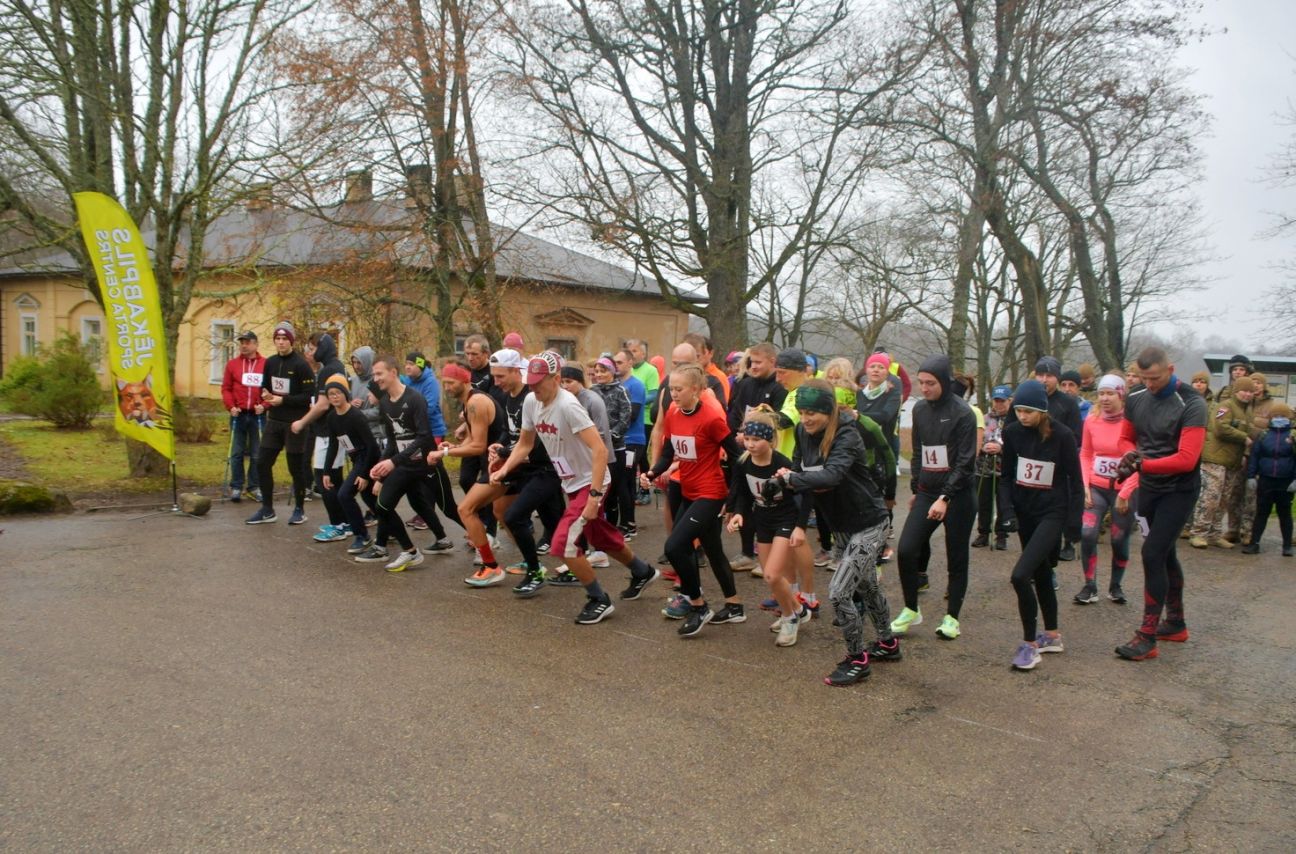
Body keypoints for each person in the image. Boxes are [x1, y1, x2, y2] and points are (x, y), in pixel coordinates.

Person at [491, 352, 659, 624]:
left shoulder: (568, 406)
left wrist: (593, 496)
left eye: (538, 382)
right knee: (600, 536)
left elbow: (600, 449)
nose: (532, 387)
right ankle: (642, 571)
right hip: (571, 481)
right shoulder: (532, 402)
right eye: (529, 382)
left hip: (592, 481)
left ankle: (598, 599)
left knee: (565, 544)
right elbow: (524, 443)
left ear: (556, 379)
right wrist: (505, 468)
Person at [775, 380, 898, 687]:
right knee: (868, 586)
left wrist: (793, 478)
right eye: (802, 412)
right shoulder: (804, 433)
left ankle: (858, 660)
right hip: (841, 525)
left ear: (829, 411)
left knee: (839, 591)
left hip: (869, 523)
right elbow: (798, 468)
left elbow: (831, 474)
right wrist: (784, 484)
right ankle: (888, 644)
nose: (805, 419)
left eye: (812, 412)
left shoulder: (847, 435)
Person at [1112, 346, 1207, 661]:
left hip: (1179, 489)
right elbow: (1126, 438)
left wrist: (1142, 465)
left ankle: (1147, 636)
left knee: (1152, 552)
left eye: (1154, 378)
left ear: (1170, 369)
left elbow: (1187, 459)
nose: (1149, 384)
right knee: (1165, 552)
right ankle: (1176, 623)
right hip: (1149, 489)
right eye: (1143, 378)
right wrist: (1129, 456)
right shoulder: (1137, 397)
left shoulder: (1191, 403)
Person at [642, 364, 744, 637]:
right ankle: (734, 606)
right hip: (688, 490)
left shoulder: (711, 418)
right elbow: (667, 453)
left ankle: (697, 604)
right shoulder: (674, 413)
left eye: (679, 389)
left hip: (710, 493)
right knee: (712, 549)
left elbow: (736, 457)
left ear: (696, 390)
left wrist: (733, 501)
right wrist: (652, 472)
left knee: (675, 546)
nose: (673, 394)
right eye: (670, 389)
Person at [892, 354, 977, 641]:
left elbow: (966, 462)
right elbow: (918, 452)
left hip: (959, 495)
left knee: (957, 556)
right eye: (921, 383)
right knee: (906, 549)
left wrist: (947, 497)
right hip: (928, 492)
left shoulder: (963, 413)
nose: (924, 389)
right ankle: (911, 608)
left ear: (944, 381)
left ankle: (952, 616)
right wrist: (917, 489)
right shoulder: (919, 411)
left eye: (930, 383)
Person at [999, 380, 1083, 671]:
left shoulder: (1062, 436)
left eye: (1030, 411)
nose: (1023, 416)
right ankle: (1052, 635)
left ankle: (1029, 645)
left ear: (1043, 411)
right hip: (1026, 513)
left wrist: (1074, 526)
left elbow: (1075, 479)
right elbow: (1006, 476)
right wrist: (1006, 511)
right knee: (1041, 572)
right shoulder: (1011, 433)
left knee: (1021, 576)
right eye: (1019, 410)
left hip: (1052, 512)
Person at [353, 356, 446, 571]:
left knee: (448, 507)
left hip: (424, 461)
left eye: (379, 374)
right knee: (386, 505)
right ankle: (409, 551)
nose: (375, 379)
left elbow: (424, 437)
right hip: (403, 464)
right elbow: (393, 440)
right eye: (374, 375)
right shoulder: (385, 403)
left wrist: (392, 463)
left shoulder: (415, 399)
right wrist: (382, 467)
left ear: (393, 372)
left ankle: (480, 541)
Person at [485, 348, 566, 595]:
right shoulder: (513, 397)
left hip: (548, 468)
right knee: (558, 524)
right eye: (494, 377)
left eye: (500, 377)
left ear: (516, 371)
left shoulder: (538, 399)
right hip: (528, 467)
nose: (496, 383)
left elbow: (535, 441)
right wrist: (500, 447)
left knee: (513, 516)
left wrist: (504, 456)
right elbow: (515, 435)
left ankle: (535, 570)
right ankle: (574, 566)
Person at [725, 409, 804, 646]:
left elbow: (800, 494)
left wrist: (799, 525)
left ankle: (790, 618)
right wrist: (738, 513)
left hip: (786, 520)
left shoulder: (782, 463)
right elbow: (741, 494)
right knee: (771, 578)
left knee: (771, 574)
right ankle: (798, 608)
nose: (750, 445)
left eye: (756, 440)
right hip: (763, 521)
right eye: (747, 439)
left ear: (769, 439)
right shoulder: (743, 463)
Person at [430, 362, 512, 587]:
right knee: (508, 517)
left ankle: (491, 566)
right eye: (444, 383)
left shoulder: (475, 402)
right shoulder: (469, 402)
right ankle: (534, 566)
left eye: (451, 382)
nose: (447, 387)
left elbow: (478, 447)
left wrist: (446, 452)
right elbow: (472, 439)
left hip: (501, 465)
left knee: (465, 509)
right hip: (500, 464)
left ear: (465, 381)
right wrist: (453, 445)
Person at [726, 341, 787, 571]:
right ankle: (746, 552)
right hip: (744, 450)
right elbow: (735, 413)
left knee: (768, 502)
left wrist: (756, 438)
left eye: (758, 362)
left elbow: (779, 421)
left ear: (772, 362)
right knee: (743, 497)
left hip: (770, 454)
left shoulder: (780, 388)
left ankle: (768, 553)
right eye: (751, 361)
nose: (753, 366)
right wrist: (735, 438)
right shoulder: (745, 384)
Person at [1077, 374, 1138, 604]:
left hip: (1125, 490)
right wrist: (1084, 485)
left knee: (1119, 539)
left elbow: (1141, 461)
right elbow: (1085, 453)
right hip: (1097, 486)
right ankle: (1089, 585)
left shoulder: (1132, 423)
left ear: (1121, 395)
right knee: (1087, 532)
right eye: (1101, 393)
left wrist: (1125, 492)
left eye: (1110, 393)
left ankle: (1116, 586)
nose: (1104, 398)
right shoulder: (1092, 420)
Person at [247, 322, 313, 526]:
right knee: (262, 462)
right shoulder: (271, 362)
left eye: (285, 339)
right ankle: (267, 509)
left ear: (291, 341)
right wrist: (266, 395)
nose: (281, 342)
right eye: (278, 339)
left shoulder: (301, 365)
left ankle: (299, 508)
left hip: (294, 423)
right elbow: (265, 386)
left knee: (296, 467)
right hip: (274, 421)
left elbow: (308, 396)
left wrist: (283, 400)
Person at [293, 333, 351, 542]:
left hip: (329, 433)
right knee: (333, 477)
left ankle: (340, 524)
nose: (311, 352)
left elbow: (323, 404)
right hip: (330, 431)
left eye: (313, 348)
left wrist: (302, 422)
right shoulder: (334, 366)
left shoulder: (330, 369)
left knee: (324, 477)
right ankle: (344, 521)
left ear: (324, 347)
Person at [316, 373, 382, 555]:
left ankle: (362, 535)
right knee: (372, 500)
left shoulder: (356, 416)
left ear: (346, 394)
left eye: (338, 392)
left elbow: (372, 447)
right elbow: (334, 444)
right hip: (356, 459)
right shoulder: (332, 418)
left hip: (367, 458)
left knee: (345, 495)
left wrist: (363, 473)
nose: (334, 396)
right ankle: (389, 528)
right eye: (331, 394)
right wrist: (327, 471)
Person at [1188, 377, 1253, 550]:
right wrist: (1243, 437)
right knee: (1210, 497)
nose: (1247, 394)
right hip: (1215, 459)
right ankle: (1198, 533)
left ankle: (1215, 534)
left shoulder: (1246, 411)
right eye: (1244, 390)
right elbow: (1220, 427)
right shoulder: (1224, 407)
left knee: (1224, 499)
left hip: (1232, 462)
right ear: (1236, 391)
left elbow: (1251, 430)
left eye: (1250, 391)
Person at [401, 352, 457, 533]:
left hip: (433, 431)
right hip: (416, 432)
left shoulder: (431, 382)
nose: (408, 367)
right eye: (406, 364)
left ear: (421, 366)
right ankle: (423, 512)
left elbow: (430, 406)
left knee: (429, 470)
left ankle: (428, 514)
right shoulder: (407, 381)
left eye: (411, 364)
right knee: (419, 470)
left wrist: (409, 411)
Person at [1241, 403, 1295, 556]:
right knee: (1262, 512)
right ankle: (1254, 543)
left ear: (1288, 418)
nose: (1279, 419)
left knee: (1285, 513)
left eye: (1282, 416)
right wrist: (1251, 476)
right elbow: (1255, 456)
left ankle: (1287, 545)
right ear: (1271, 418)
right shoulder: (1264, 435)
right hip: (1266, 480)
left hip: (1285, 481)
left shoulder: (1292, 436)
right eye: (1276, 416)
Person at [590, 356, 634, 535]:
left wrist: (612, 436)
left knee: (617, 486)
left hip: (616, 448)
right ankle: (605, 525)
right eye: (597, 371)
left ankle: (623, 524)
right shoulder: (592, 391)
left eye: (604, 371)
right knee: (601, 488)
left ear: (612, 372)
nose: (600, 374)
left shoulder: (620, 391)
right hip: (595, 447)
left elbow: (626, 415)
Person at [221, 330, 265, 503]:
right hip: (238, 414)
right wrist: (230, 406)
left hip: (257, 415)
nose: (244, 346)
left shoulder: (265, 364)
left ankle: (254, 486)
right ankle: (236, 486)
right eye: (242, 343)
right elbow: (226, 388)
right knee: (237, 452)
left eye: (247, 342)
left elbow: (269, 388)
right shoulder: (232, 365)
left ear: (255, 344)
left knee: (257, 453)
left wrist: (265, 405)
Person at [973, 384, 1016, 550]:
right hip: (984, 466)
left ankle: (1001, 535)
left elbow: (1016, 444)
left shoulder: (1014, 419)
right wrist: (983, 447)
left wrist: (1001, 448)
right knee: (983, 502)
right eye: (996, 401)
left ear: (1009, 401)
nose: (998, 404)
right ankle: (983, 533)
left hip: (1004, 469)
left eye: (1002, 401)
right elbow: (977, 438)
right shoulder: (985, 418)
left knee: (1003, 502)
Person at [612, 348, 647, 535]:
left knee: (625, 480)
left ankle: (628, 524)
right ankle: (625, 522)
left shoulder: (636, 386)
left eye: (620, 362)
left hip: (633, 441)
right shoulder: (615, 385)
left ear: (630, 362)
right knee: (620, 482)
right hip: (618, 441)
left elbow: (632, 415)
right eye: (615, 362)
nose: (617, 366)